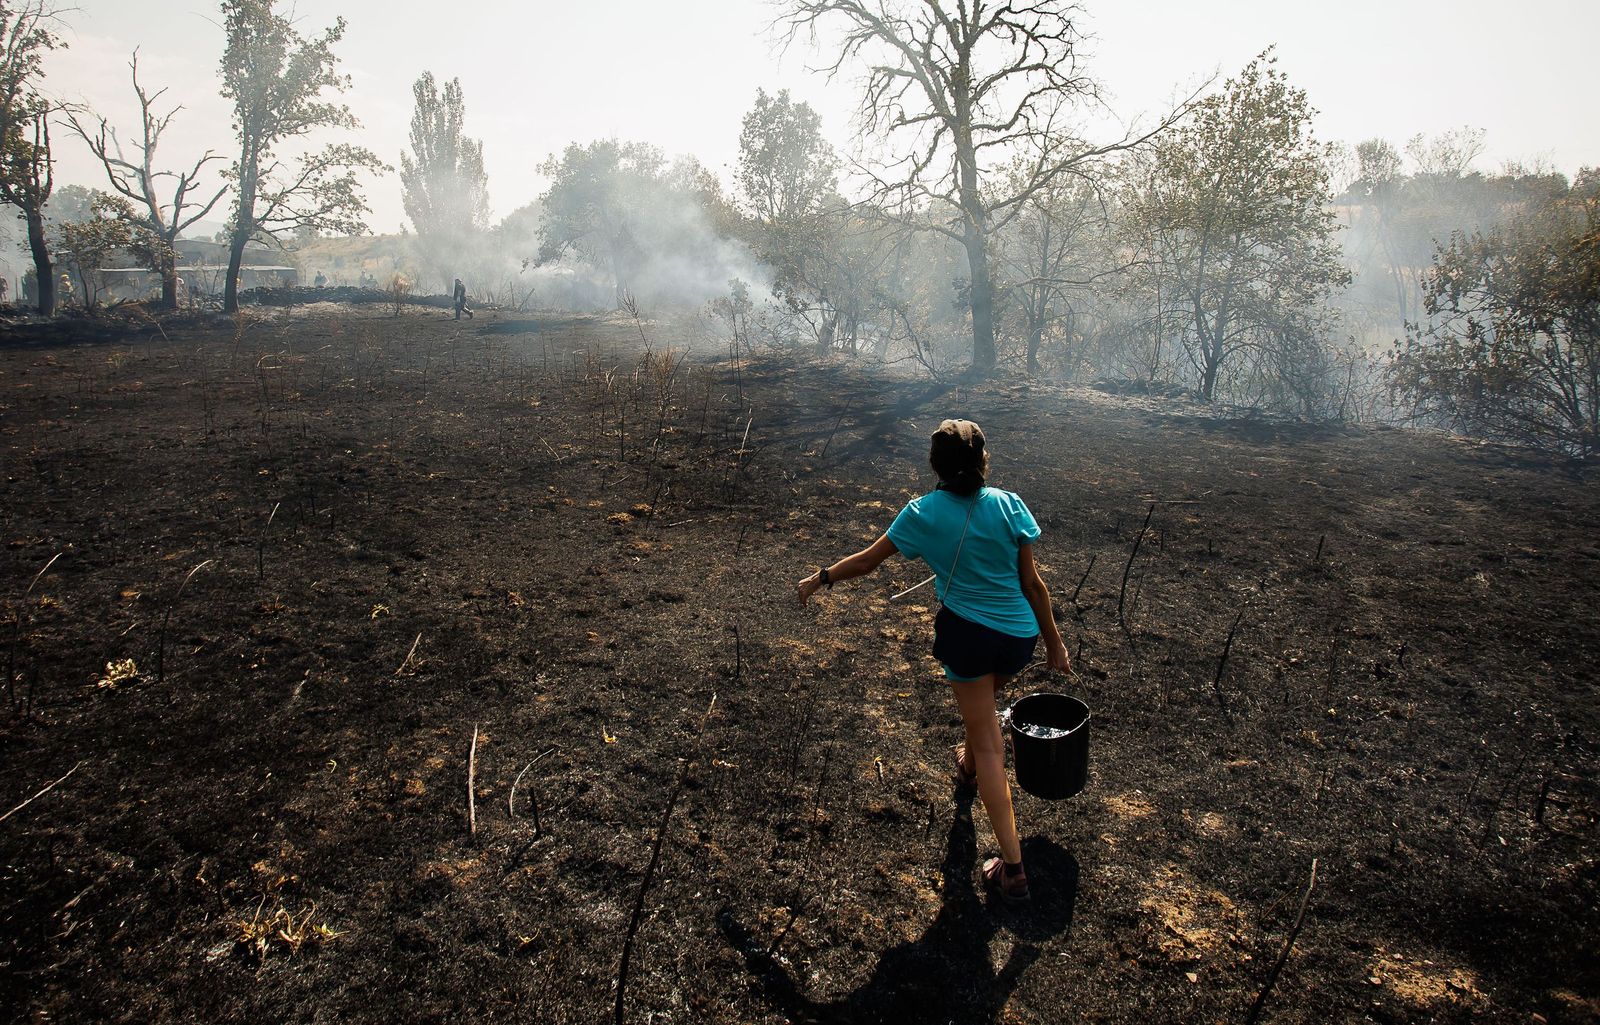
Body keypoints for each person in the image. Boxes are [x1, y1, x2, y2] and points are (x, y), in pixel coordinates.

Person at [797, 419, 1070, 903]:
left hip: (968, 636)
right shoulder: (1010, 504)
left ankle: (1012, 869)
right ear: (984, 460)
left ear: (935, 465)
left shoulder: (921, 513)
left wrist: (821, 578)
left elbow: (866, 562)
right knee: (982, 708)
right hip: (1018, 638)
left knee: (989, 744)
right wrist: (1054, 644)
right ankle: (966, 767)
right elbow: (1034, 586)